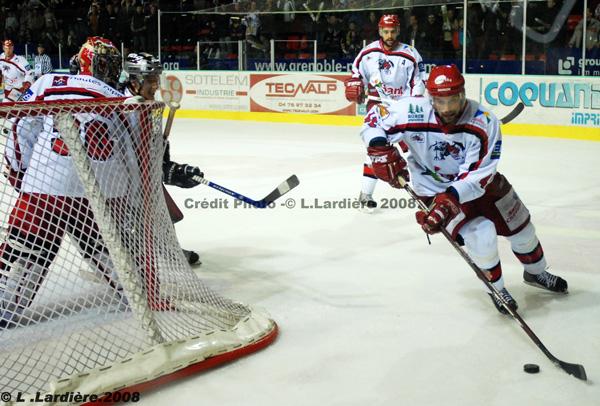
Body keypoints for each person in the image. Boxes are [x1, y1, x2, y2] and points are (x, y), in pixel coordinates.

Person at [359, 64, 568, 314]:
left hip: (482, 185)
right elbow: (373, 120)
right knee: (482, 235)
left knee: (523, 230)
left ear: (463, 94)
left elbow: (480, 174)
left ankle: (536, 273)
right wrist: (379, 148)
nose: (447, 108)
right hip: (433, 190)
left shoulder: (484, 121)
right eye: (440, 101)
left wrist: (450, 199)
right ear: (430, 97)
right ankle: (497, 289)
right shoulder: (410, 110)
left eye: (453, 100)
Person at [0, 37, 127, 329]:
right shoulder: (119, 100)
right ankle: (137, 292)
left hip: (46, 185)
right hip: (98, 192)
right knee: (107, 249)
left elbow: (21, 125)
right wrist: (124, 194)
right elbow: (129, 154)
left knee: (24, 252)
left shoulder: (49, 82)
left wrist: (21, 172)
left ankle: (5, 309)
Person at [120, 52, 204, 266]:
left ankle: (169, 248)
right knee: (129, 222)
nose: (156, 85)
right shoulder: (122, 106)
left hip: (143, 179)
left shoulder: (150, 106)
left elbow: (157, 150)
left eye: (156, 79)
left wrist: (172, 171)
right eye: (150, 80)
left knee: (163, 211)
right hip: (121, 183)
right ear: (134, 81)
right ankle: (127, 256)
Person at [344, 15, 426, 212]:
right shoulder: (368, 53)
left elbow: (419, 81)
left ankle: (429, 192)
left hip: (404, 108)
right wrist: (355, 83)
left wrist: (415, 103)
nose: (389, 36)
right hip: (378, 106)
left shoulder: (410, 54)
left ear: (398, 31)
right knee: (377, 150)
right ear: (380, 31)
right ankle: (365, 195)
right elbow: (356, 73)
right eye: (386, 32)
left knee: (417, 151)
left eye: (393, 31)